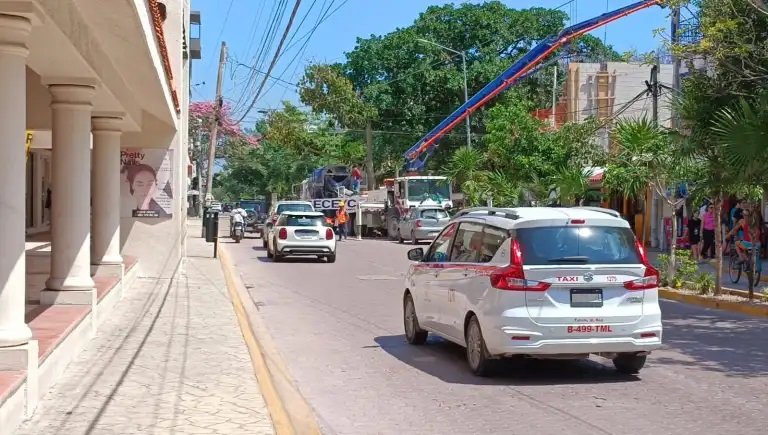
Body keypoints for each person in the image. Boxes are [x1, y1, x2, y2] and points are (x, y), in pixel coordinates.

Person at [726, 206, 760, 271]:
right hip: (757, 243)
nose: (743, 216)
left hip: (748, 244)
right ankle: (748, 264)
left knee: (736, 243)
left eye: (744, 214)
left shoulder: (742, 221)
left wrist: (728, 236)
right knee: (745, 247)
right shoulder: (754, 221)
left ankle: (742, 258)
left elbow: (734, 230)